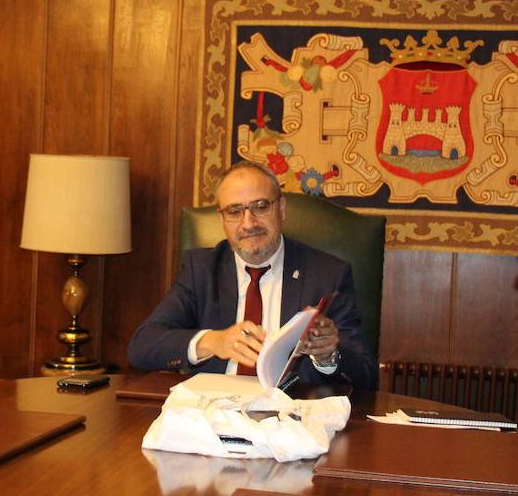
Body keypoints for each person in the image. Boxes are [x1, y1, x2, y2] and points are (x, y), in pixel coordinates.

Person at [128, 161, 378, 389]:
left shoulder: (328, 274)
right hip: (214, 411)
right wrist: (213, 341)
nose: (248, 223)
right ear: (222, 218)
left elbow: (366, 374)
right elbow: (142, 346)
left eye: (260, 206)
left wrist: (329, 356)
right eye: (234, 211)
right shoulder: (201, 270)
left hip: (292, 413)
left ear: (281, 209)